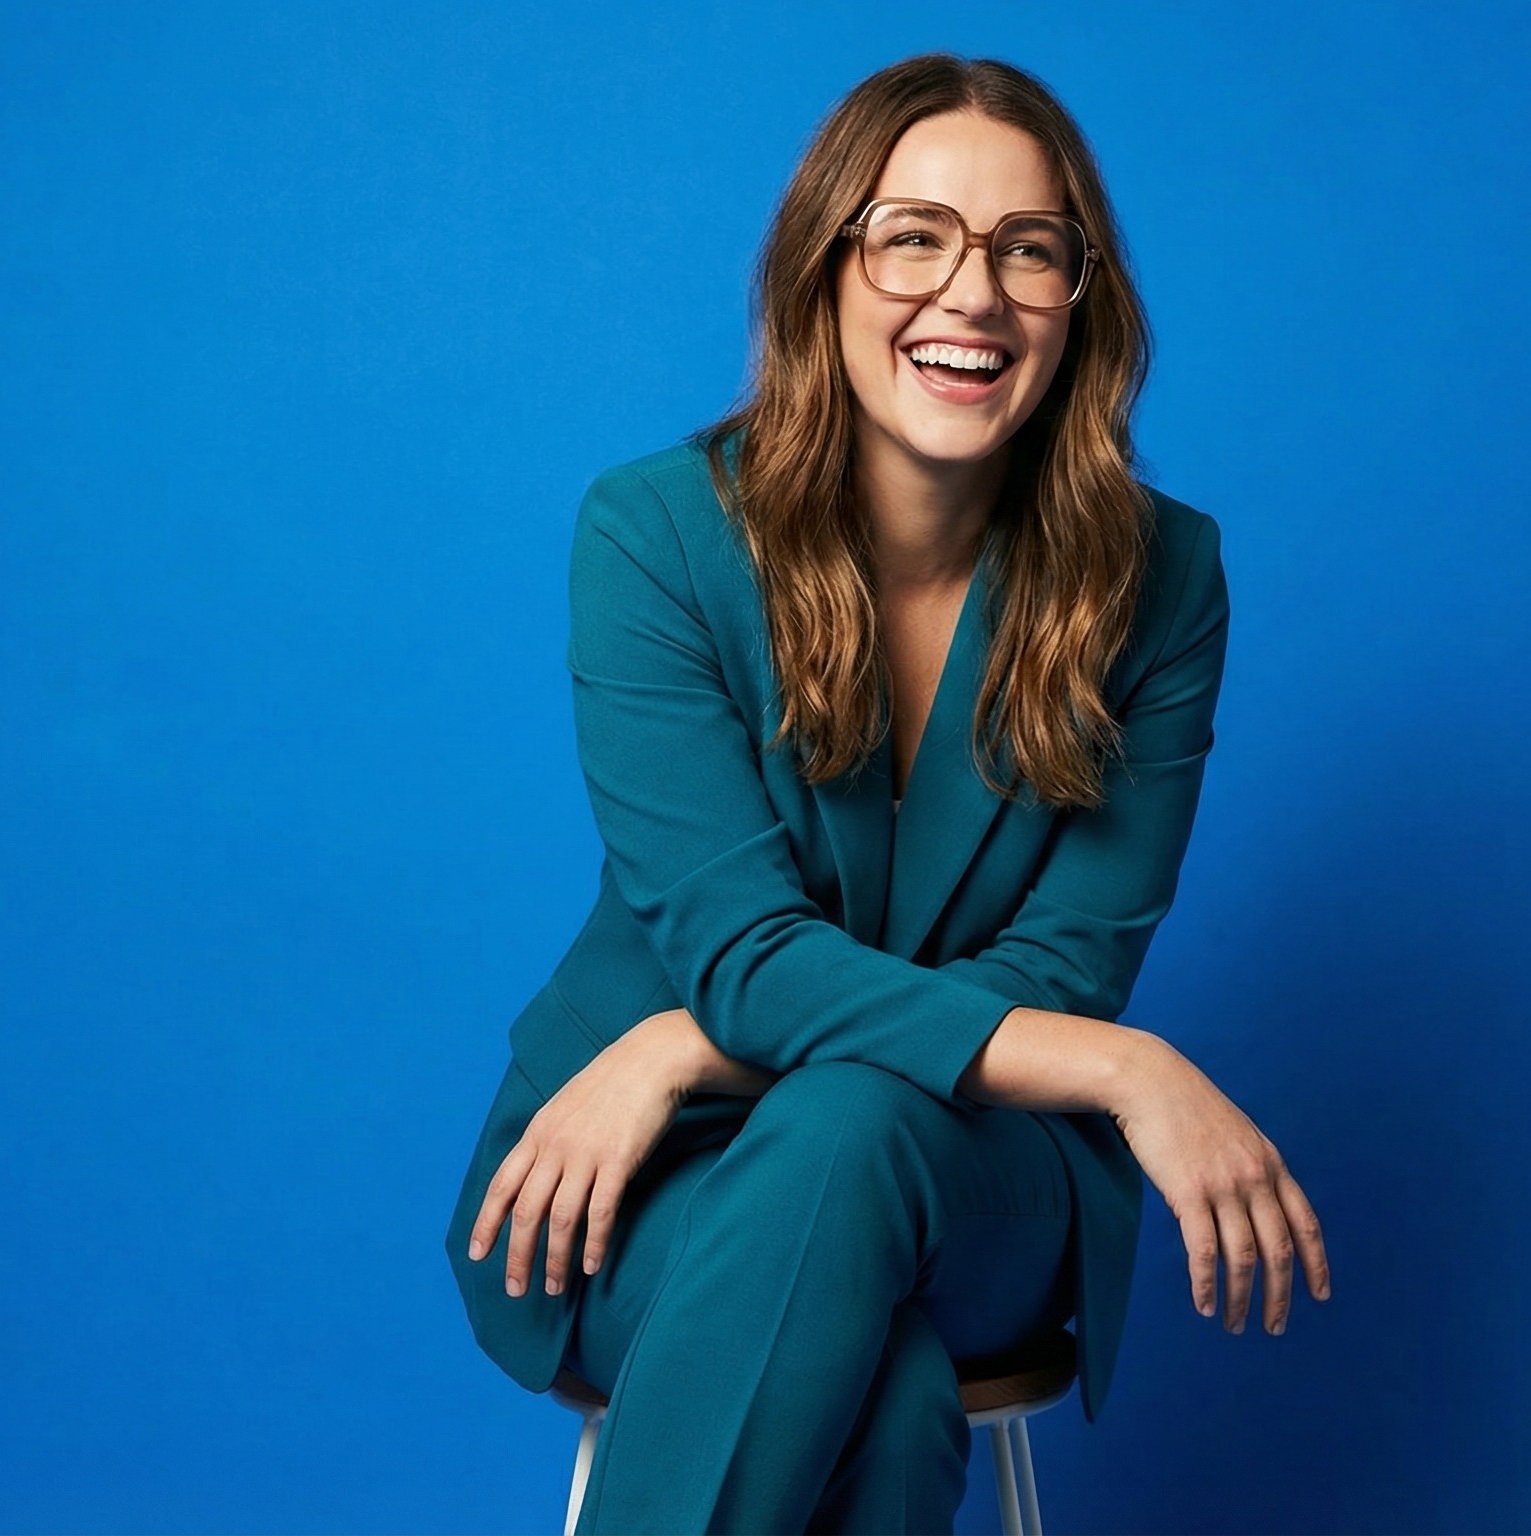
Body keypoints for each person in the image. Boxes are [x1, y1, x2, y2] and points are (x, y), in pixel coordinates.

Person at [444, 52, 1332, 1533]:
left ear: (1080, 303)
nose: (970, 294)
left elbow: (1061, 963)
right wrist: (1130, 1070)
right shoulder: (656, 538)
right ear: (824, 271)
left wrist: (688, 1042)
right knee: (886, 1382)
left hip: (971, 1178)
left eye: (1027, 251)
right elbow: (742, 952)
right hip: (632, 1183)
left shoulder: (1163, 582)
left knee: (852, 1133)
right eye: (913, 235)